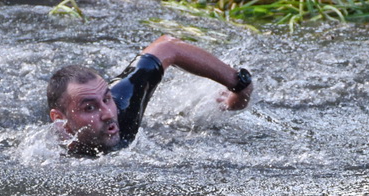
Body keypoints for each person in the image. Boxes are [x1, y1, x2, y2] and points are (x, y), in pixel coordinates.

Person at [45, 35, 254, 157]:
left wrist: (239, 84)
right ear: (60, 120)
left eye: (106, 99)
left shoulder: (123, 103)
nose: (108, 114)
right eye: (90, 108)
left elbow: (167, 46)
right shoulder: (47, 154)